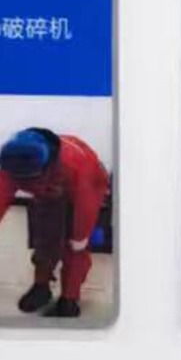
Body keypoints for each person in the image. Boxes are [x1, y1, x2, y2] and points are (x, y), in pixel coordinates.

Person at [0, 128, 109, 318]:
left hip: (87, 187)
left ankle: (70, 298)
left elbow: (86, 204)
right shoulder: (10, 164)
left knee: (75, 248)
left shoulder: (76, 165)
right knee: (45, 240)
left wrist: (80, 236)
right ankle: (41, 287)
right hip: (48, 194)